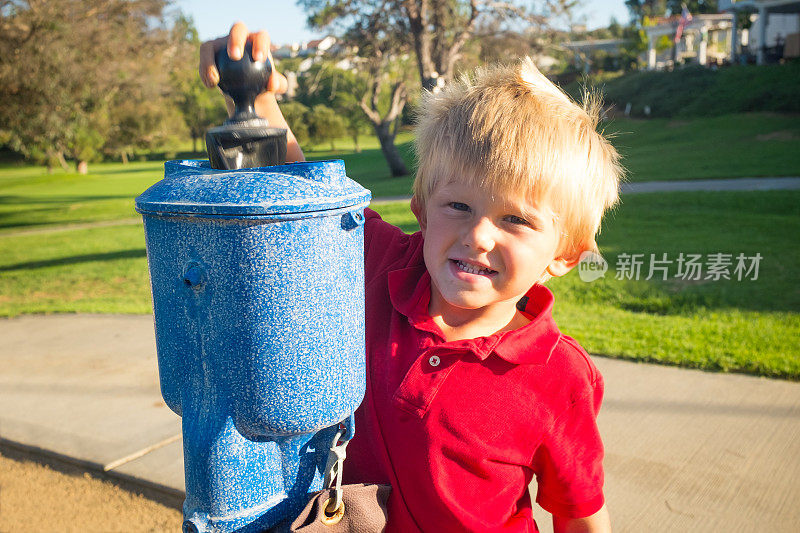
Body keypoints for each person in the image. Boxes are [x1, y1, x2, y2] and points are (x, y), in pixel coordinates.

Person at [200, 23, 622, 533]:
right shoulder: (382, 264)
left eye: (516, 220)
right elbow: (299, 196)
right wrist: (258, 103)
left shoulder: (560, 377)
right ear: (422, 211)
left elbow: (578, 514)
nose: (478, 237)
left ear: (566, 255)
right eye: (458, 206)